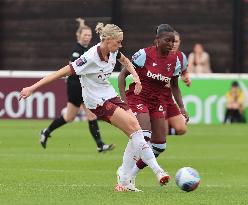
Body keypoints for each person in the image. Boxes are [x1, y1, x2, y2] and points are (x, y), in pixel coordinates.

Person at [19, 22, 170, 192]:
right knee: (135, 129)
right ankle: (158, 171)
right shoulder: (89, 57)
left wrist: (136, 78)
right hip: (96, 101)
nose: (120, 45)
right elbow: (59, 73)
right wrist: (32, 88)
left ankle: (125, 178)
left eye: (121, 42)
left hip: (110, 94)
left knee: (136, 133)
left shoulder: (113, 52)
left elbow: (126, 61)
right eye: (118, 42)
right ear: (107, 40)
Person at [117, 24, 188, 189]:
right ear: (157, 40)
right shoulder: (144, 55)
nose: (171, 44)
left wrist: (182, 108)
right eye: (167, 40)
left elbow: (175, 86)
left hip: (157, 102)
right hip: (137, 97)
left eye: (173, 41)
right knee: (144, 135)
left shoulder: (176, 60)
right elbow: (122, 75)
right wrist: (124, 102)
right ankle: (129, 174)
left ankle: (129, 176)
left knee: (159, 145)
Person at [40, 18, 115, 153]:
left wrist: (81, 24)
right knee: (91, 115)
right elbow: (74, 68)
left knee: (69, 117)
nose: (87, 37)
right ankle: (100, 145)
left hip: (79, 85)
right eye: (85, 35)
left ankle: (46, 131)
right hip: (76, 86)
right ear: (78, 36)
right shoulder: (77, 50)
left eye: (89, 35)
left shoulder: (85, 49)